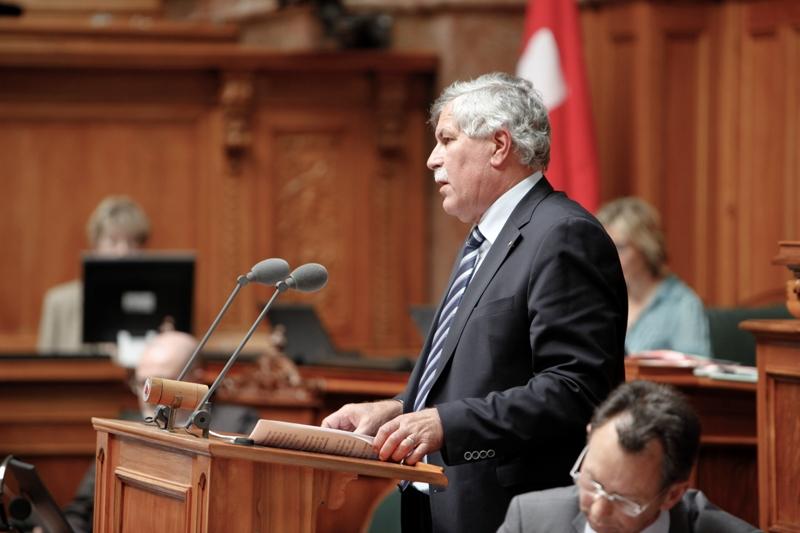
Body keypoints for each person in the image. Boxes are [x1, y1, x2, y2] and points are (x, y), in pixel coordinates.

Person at [322, 72, 628, 532]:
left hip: (505, 512)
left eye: (446, 140)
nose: (431, 160)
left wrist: (448, 423)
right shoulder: (485, 240)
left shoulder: (563, 235)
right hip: (439, 502)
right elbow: (480, 376)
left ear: (499, 146)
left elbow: (576, 389)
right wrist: (400, 409)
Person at [497, 380, 760, 533]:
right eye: (592, 482)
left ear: (672, 494)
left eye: (624, 500)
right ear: (589, 438)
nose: (598, 511)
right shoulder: (529, 519)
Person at [62, 331, 259, 533]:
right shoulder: (123, 430)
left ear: (196, 379)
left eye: (162, 385)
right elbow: (82, 510)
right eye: (142, 384)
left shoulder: (237, 426)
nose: (148, 397)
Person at [596, 198, 711, 357]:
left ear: (646, 248)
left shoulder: (682, 304)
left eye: (620, 247)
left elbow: (696, 372)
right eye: (606, 247)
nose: (610, 257)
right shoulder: (602, 299)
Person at [37, 195, 151, 353]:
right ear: (96, 246)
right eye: (113, 241)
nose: (123, 251)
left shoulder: (152, 303)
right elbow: (44, 371)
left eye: (132, 242)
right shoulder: (59, 303)